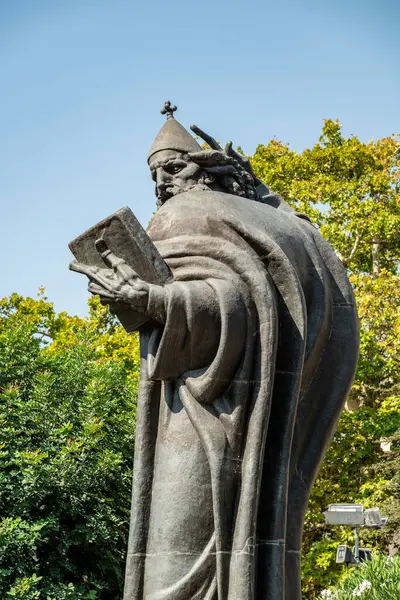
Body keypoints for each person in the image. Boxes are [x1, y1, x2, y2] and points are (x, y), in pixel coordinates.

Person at [71, 103, 359, 600]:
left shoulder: (190, 213)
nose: (163, 184)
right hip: (234, 414)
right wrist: (262, 192)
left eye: (175, 168)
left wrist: (150, 298)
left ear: (207, 169)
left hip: (202, 416)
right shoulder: (278, 225)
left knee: (173, 570)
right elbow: (269, 291)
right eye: (155, 175)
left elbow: (232, 301)